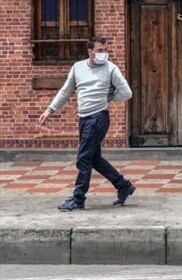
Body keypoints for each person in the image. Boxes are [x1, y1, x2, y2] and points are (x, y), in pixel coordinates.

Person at [38, 36, 136, 211]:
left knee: (83, 157)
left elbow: (126, 92)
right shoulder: (78, 68)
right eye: (100, 50)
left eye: (106, 50)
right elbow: (66, 90)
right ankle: (123, 185)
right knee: (94, 158)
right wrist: (50, 109)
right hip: (83, 118)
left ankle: (78, 198)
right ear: (90, 51)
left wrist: (111, 97)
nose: (103, 54)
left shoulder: (111, 69)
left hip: (99, 118)